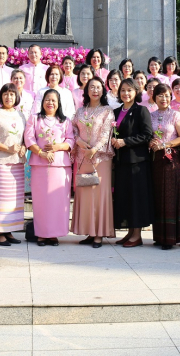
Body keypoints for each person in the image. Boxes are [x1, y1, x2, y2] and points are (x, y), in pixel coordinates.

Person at [24, 89, 74, 246]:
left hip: (60, 166)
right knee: (41, 202)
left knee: (58, 201)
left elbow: (71, 140)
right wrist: (41, 153)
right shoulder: (34, 118)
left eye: (53, 100)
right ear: (42, 101)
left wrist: (58, 146)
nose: (50, 103)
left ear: (58, 103)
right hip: (40, 165)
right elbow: (29, 138)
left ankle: (54, 234)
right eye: (47, 99)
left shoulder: (65, 121)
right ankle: (42, 234)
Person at [71, 77, 115, 248]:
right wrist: (79, 142)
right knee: (86, 194)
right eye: (91, 87)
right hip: (83, 156)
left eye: (98, 87)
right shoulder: (80, 111)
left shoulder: (107, 111)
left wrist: (95, 149)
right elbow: (74, 129)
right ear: (86, 90)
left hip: (100, 158)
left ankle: (99, 234)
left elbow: (106, 133)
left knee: (99, 194)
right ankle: (89, 232)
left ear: (103, 90)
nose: (95, 90)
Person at [111, 78, 154, 248]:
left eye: (129, 90)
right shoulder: (115, 112)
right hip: (121, 161)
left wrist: (125, 142)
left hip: (137, 162)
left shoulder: (141, 110)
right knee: (126, 198)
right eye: (123, 90)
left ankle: (137, 235)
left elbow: (147, 134)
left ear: (136, 92)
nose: (126, 93)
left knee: (137, 199)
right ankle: (130, 233)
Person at [0, 83, 27, 246]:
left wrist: (24, 147)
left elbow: (25, 137)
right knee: (1, 198)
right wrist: (7, 148)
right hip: (0, 161)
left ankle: (8, 230)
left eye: (12, 94)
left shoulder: (20, 115)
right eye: (6, 94)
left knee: (13, 199)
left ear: (16, 97)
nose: (9, 97)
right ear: (1, 96)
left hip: (17, 162)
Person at [149, 83, 180, 250]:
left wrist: (165, 144)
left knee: (170, 197)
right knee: (158, 197)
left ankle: (170, 238)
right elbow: (147, 135)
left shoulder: (176, 115)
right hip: (156, 160)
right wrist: (150, 142)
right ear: (154, 98)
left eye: (166, 95)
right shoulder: (150, 115)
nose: (163, 98)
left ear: (171, 97)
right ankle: (159, 236)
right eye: (160, 95)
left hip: (171, 160)